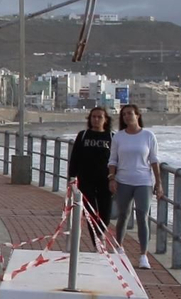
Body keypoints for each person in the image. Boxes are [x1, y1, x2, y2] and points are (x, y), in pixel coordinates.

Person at [108, 103, 161, 268]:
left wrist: (159, 183)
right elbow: (113, 159)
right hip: (123, 180)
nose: (127, 117)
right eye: (124, 114)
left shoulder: (148, 136)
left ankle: (143, 255)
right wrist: (112, 178)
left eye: (130, 113)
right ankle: (119, 246)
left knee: (142, 216)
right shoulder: (118, 137)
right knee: (123, 215)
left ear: (138, 115)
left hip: (143, 181)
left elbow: (154, 160)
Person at [68, 107, 115, 244]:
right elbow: (75, 157)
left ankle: (100, 234)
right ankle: (97, 242)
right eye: (93, 117)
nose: (96, 119)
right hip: (86, 180)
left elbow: (117, 159)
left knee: (106, 212)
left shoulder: (112, 137)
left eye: (99, 117)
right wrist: (71, 178)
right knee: (89, 212)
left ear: (105, 119)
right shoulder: (83, 135)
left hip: (105, 180)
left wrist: (115, 177)